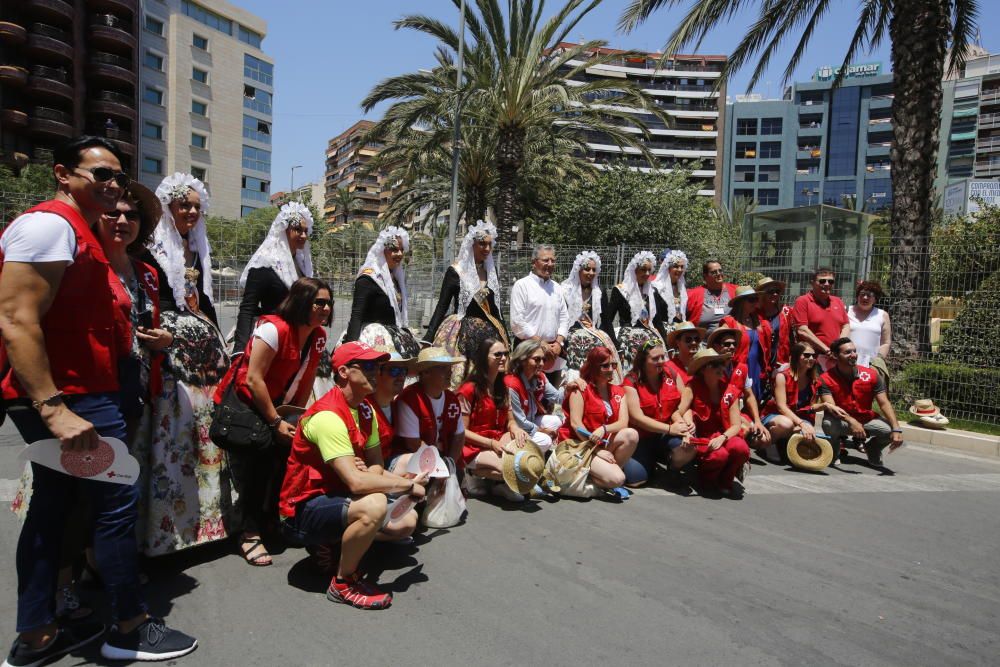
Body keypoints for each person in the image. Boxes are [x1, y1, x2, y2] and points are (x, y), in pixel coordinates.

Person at [0, 136, 196, 664]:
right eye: (101, 175)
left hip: (86, 394)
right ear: (64, 175)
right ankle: (128, 627)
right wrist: (51, 406)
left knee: (56, 508)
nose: (113, 185)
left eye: (119, 175)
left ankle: (37, 633)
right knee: (114, 504)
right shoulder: (49, 226)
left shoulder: (79, 236)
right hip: (75, 398)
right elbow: (17, 319)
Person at [278, 343, 426, 610]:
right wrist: (406, 485)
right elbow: (357, 482)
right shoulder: (328, 416)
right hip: (303, 509)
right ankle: (343, 583)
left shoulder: (365, 410)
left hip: (339, 495)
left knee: (407, 522)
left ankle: (334, 543)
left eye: (378, 367)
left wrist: (364, 473)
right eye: (367, 366)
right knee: (375, 505)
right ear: (344, 372)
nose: (375, 373)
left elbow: (376, 467)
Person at [140, 172, 230, 556]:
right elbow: (147, 300)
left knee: (204, 437)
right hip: (168, 357)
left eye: (196, 206)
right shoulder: (149, 249)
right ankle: (163, 534)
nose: (191, 211)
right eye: (184, 204)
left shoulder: (199, 249)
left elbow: (203, 301)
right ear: (169, 207)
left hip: (204, 358)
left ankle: (206, 525)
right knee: (169, 437)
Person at [214, 278, 331, 566]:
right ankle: (248, 532)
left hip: (278, 407)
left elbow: (306, 380)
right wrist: (276, 420)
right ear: (302, 302)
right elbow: (254, 379)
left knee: (288, 458)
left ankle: (272, 521)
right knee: (260, 461)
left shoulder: (317, 337)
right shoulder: (273, 329)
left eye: (329, 303)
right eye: (319, 302)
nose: (326, 308)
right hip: (250, 403)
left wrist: (295, 418)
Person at [425, 220, 509, 386]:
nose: (486, 249)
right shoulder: (456, 271)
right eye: (482, 244)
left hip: (490, 337)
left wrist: (506, 338)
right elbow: (442, 306)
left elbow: (496, 310)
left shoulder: (491, 273)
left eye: (490, 244)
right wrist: (428, 337)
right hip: (461, 335)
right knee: (462, 380)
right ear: (472, 244)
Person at [456, 338, 534, 502]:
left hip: (498, 439)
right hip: (473, 446)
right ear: (484, 358)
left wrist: (516, 429)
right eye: (498, 354)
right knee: (509, 467)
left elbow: (510, 421)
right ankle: (472, 474)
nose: (504, 358)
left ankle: (498, 485)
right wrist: (490, 444)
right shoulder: (469, 389)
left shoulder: (502, 387)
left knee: (522, 461)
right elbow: (462, 431)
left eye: (505, 354)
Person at [232, 201, 314, 356]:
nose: (303, 235)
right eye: (297, 230)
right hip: (273, 338)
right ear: (284, 231)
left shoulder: (303, 267)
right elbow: (248, 308)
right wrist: (239, 350)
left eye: (305, 231)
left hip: (301, 337)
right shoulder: (264, 265)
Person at [559, 347, 639, 490]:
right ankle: (592, 479)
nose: (611, 369)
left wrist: (604, 429)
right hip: (580, 445)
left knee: (631, 434)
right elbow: (576, 424)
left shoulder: (618, 391)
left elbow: (623, 423)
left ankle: (600, 476)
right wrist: (596, 451)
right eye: (605, 366)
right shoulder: (581, 389)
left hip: (602, 442)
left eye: (613, 365)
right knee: (618, 478)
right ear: (594, 367)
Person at [818, 337, 904, 467]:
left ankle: (873, 449)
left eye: (854, 351)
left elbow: (884, 403)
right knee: (828, 423)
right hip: (841, 420)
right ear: (835, 355)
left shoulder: (872, 375)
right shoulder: (825, 379)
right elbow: (831, 407)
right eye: (847, 352)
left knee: (889, 430)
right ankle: (834, 451)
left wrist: (897, 429)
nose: (853, 355)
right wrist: (852, 421)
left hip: (865, 419)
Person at [677, 349, 752, 498]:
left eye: (722, 364)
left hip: (725, 435)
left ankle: (726, 479)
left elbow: (736, 425)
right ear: (704, 369)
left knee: (741, 448)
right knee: (719, 455)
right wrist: (688, 422)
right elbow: (679, 410)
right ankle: (707, 479)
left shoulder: (730, 390)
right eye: (715, 364)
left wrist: (722, 437)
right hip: (702, 438)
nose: (721, 368)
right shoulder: (692, 387)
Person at [622, 342, 696, 486]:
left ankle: (673, 467)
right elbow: (637, 418)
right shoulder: (631, 381)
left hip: (666, 434)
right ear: (643, 361)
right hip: (643, 437)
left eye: (663, 357)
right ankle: (650, 462)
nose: (661, 361)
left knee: (689, 447)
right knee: (635, 480)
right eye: (655, 358)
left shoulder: (671, 374)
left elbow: (684, 404)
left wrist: (687, 423)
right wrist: (669, 429)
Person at [344, 226, 420, 358]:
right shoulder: (368, 278)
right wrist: (351, 352)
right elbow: (357, 315)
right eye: (394, 250)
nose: (400, 254)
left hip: (393, 337)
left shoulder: (396, 278)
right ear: (382, 251)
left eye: (402, 250)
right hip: (372, 340)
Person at [391, 347, 467, 470]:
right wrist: (439, 468)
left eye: (450, 367)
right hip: (415, 461)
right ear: (426, 373)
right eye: (443, 368)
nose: (450, 372)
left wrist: (450, 464)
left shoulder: (451, 399)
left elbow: (459, 436)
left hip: (445, 459)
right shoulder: (409, 400)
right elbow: (413, 444)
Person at [505, 339, 581, 454]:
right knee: (545, 440)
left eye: (543, 359)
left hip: (529, 421)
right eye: (536, 359)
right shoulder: (512, 384)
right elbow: (520, 422)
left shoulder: (540, 377)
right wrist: (542, 431)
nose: (541, 364)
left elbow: (557, 398)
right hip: (515, 428)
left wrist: (568, 389)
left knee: (555, 421)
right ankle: (526, 459)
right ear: (522, 360)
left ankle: (537, 454)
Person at [509, 244, 569, 385]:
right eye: (545, 260)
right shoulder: (522, 285)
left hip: (553, 353)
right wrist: (540, 343)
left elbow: (564, 318)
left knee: (549, 400)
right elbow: (518, 321)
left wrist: (559, 343)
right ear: (534, 262)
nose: (550, 264)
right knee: (526, 394)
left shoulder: (557, 288)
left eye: (553, 260)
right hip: (528, 351)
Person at [706, 327, 771, 450]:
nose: (732, 347)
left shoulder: (742, 368)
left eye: (734, 344)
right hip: (715, 415)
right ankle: (738, 456)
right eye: (727, 344)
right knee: (744, 429)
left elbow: (749, 395)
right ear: (716, 346)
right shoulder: (709, 368)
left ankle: (738, 450)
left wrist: (757, 421)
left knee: (764, 439)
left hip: (734, 413)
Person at [561, 250, 619, 384]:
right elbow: (561, 318)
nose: (591, 273)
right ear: (578, 270)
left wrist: (615, 345)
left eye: (594, 269)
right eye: (587, 269)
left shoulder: (600, 292)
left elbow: (606, 321)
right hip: (570, 334)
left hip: (594, 333)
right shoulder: (565, 290)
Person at [606, 251, 666, 374]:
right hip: (628, 336)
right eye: (643, 270)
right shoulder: (621, 290)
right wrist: (616, 345)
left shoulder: (652, 291)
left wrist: (666, 342)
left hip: (650, 334)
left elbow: (657, 320)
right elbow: (608, 319)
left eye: (649, 270)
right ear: (634, 270)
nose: (647, 274)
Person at [763, 343, 822, 461]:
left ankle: (783, 441)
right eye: (806, 355)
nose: (811, 358)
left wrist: (825, 406)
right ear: (796, 356)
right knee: (786, 424)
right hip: (778, 416)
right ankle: (769, 443)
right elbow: (781, 407)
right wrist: (801, 424)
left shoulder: (814, 380)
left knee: (809, 436)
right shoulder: (782, 376)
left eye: (813, 356)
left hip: (800, 417)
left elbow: (811, 407)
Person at [720, 286, 772, 402]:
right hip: (739, 367)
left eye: (756, 299)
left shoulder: (758, 321)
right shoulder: (730, 322)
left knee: (755, 399)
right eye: (751, 300)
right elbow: (717, 341)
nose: (755, 303)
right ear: (741, 302)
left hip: (757, 367)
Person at [791, 267, 850, 369]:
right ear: (812, 283)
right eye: (822, 281)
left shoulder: (838, 301)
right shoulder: (803, 301)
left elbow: (846, 325)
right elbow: (802, 330)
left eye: (830, 281)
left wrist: (839, 346)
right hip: (812, 359)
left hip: (835, 358)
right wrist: (827, 350)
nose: (827, 284)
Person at [365, 353, 414, 466]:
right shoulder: (364, 408)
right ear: (377, 373)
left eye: (403, 371)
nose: (401, 377)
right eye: (394, 371)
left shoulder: (397, 406)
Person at [848, 280, 891, 373]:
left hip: (870, 366)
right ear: (857, 296)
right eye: (862, 294)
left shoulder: (882, 315)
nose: (865, 297)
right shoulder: (846, 311)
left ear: (875, 298)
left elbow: (886, 343)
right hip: (847, 363)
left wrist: (878, 361)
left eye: (869, 295)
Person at [685, 259, 737, 332]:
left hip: (729, 341)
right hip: (701, 342)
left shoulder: (735, 290)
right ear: (705, 276)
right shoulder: (693, 294)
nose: (718, 274)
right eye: (714, 272)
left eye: (720, 270)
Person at [756, 277, 793, 372]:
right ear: (761, 294)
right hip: (759, 361)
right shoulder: (754, 313)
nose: (775, 294)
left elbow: (792, 337)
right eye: (771, 291)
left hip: (781, 362)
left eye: (777, 291)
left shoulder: (786, 312)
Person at [651, 248, 689, 325]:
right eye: (676, 266)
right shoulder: (656, 287)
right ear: (667, 268)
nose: (679, 269)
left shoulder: (681, 288)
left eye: (682, 267)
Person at [663, 321, 704, 386]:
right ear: (678, 343)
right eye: (688, 339)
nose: (694, 342)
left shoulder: (703, 367)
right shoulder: (668, 368)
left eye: (697, 339)